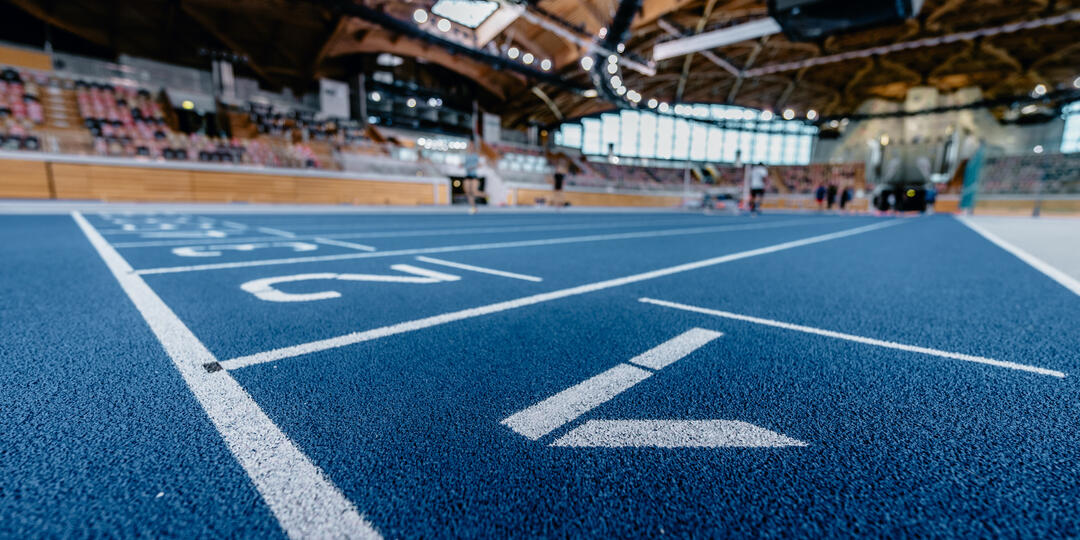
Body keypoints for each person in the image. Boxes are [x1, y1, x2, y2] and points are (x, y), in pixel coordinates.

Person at [463, 143, 485, 214]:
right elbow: (465, 164)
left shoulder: (476, 155)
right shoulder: (466, 156)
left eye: (471, 146)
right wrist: (462, 165)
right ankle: (473, 207)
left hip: (474, 175)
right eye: (469, 147)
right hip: (467, 175)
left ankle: (487, 195)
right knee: (468, 192)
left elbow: (480, 164)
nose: (470, 148)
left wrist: (473, 167)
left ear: (473, 148)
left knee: (474, 192)